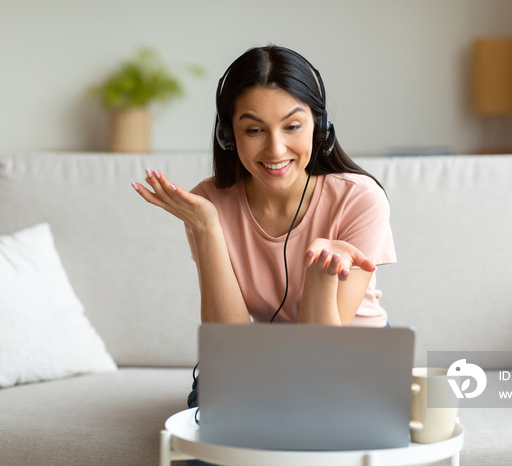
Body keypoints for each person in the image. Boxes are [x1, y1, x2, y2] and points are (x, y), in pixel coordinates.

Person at [132, 45, 396, 463]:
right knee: (214, 453)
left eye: (292, 126)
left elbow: (322, 360)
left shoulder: (359, 199)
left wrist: (319, 276)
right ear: (228, 134)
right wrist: (206, 228)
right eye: (254, 130)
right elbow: (231, 344)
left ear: (319, 127)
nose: (275, 150)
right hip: (262, 366)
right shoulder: (207, 204)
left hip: (348, 361)